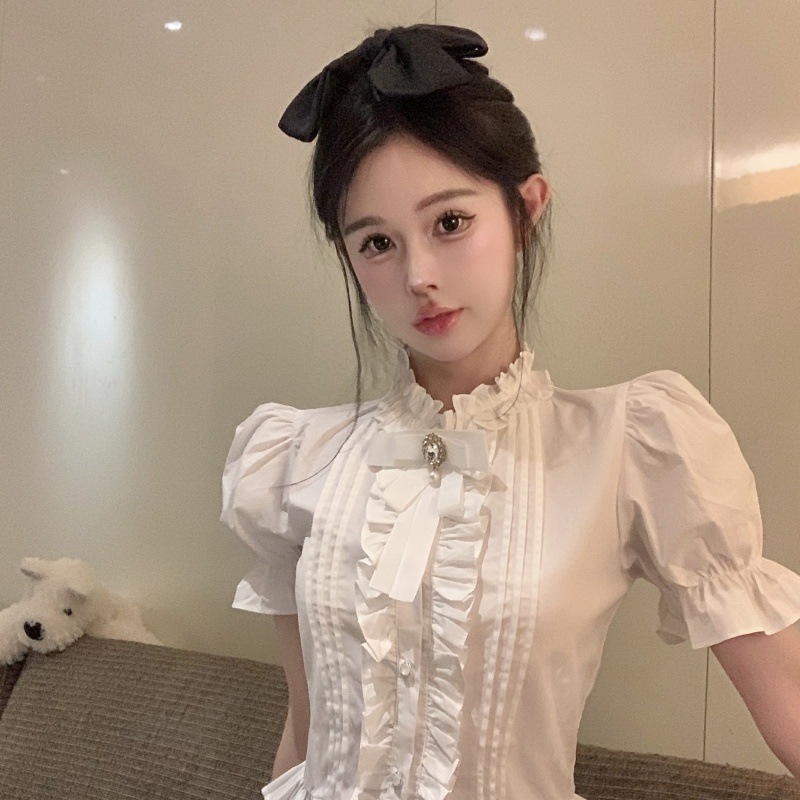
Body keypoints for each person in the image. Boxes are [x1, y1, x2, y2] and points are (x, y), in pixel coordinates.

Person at [220, 23, 800, 800]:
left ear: (525, 209)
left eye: (450, 223)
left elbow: (787, 699)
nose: (419, 275)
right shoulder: (295, 459)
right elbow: (307, 730)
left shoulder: (629, 448)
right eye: (377, 243)